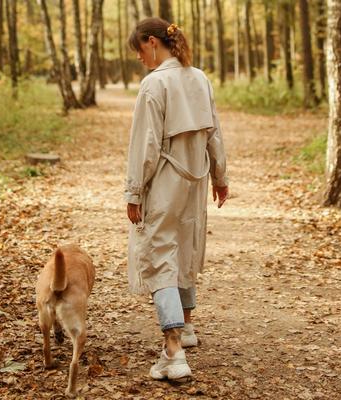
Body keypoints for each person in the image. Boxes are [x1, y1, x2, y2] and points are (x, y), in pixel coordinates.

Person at [125, 17, 229, 380]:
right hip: (196, 180)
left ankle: (173, 353)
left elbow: (145, 146)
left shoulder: (154, 85)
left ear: (152, 42)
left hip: (166, 182)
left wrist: (133, 192)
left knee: (159, 254)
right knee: (185, 247)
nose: (139, 58)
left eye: (139, 50)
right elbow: (214, 132)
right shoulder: (199, 78)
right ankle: (185, 327)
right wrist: (220, 177)